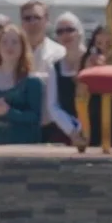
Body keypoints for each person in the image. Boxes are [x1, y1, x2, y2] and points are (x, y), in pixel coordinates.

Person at [43, 13, 84, 146]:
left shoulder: (92, 61)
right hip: (67, 131)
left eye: (70, 29)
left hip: (97, 125)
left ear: (80, 32)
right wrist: (72, 130)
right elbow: (52, 105)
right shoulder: (54, 66)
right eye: (60, 31)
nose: (65, 34)